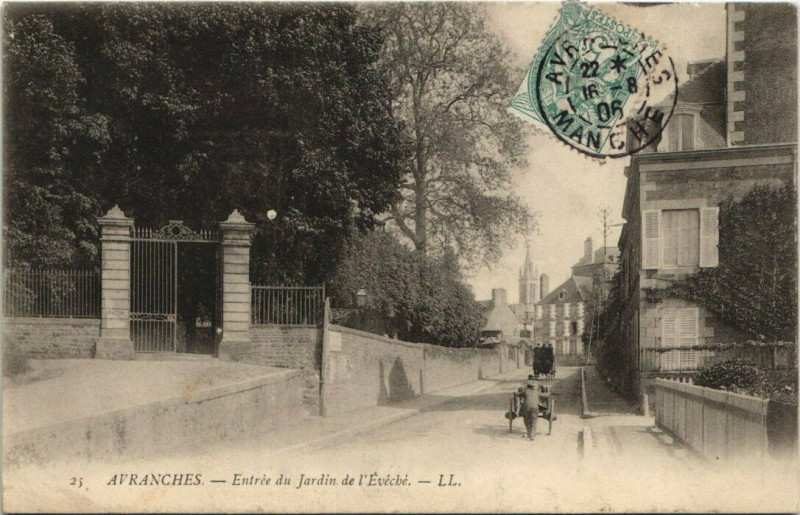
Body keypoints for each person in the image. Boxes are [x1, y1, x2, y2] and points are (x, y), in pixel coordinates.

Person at [514, 374, 539, 440]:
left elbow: (518, 394)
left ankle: (528, 432)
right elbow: (544, 395)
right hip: (535, 408)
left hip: (526, 408)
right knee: (534, 421)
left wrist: (515, 392)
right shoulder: (537, 391)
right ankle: (532, 435)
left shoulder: (525, 391)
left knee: (526, 420)